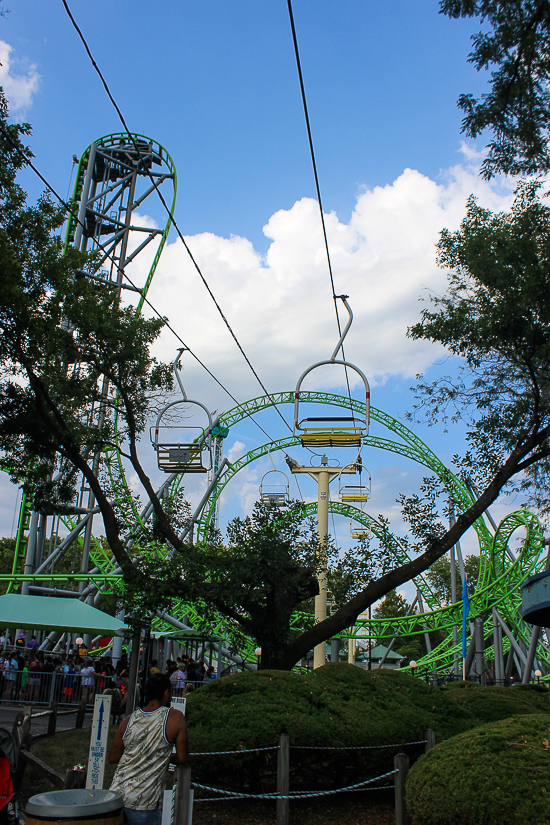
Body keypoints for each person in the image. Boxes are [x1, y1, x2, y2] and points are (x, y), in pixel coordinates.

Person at [108, 673, 188, 825]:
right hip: (144, 803)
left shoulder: (129, 720)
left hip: (115, 797)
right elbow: (183, 758)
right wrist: (169, 757)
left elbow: (112, 758)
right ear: (166, 693)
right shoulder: (175, 717)